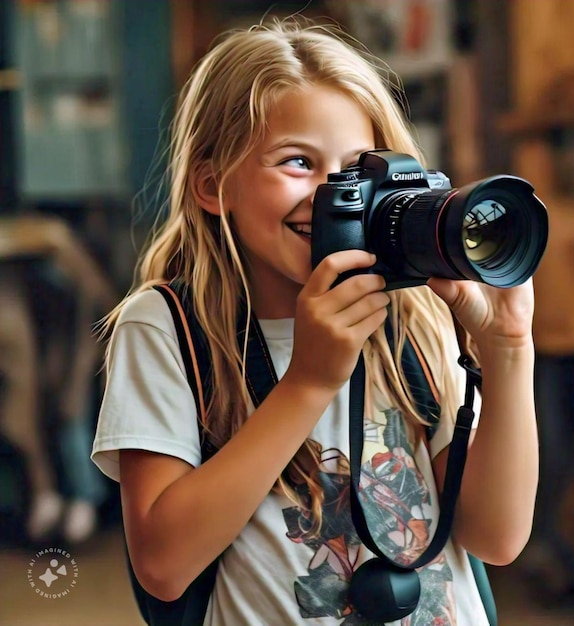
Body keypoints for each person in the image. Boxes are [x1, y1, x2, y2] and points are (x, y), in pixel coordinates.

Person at [91, 16, 538, 625]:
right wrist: (308, 382)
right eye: (297, 162)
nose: (330, 193)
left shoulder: (414, 315)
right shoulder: (166, 327)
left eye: (358, 171)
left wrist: (509, 351)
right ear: (212, 185)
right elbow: (165, 567)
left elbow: (497, 538)